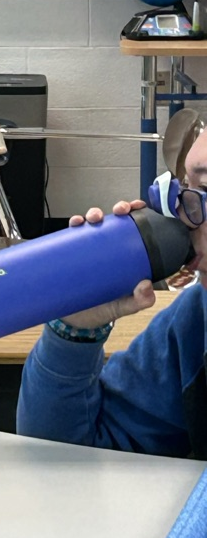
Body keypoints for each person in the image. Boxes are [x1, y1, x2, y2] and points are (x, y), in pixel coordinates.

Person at [17, 125, 207, 458]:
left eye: (202, 188)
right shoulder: (192, 322)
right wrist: (75, 328)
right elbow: (61, 454)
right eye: (185, 186)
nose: (182, 214)